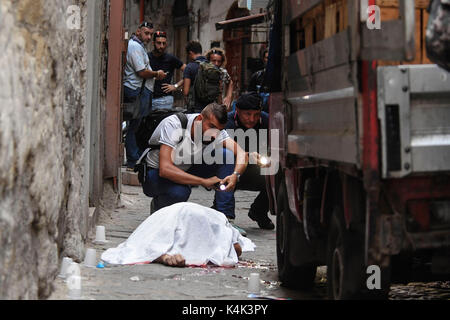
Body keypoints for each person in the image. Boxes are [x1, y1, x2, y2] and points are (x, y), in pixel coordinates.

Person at [141, 102, 249, 235]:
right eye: (211, 127)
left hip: (186, 168)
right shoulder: (174, 124)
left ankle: (224, 218)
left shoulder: (216, 131)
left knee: (226, 155)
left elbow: (242, 153)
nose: (214, 135)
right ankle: (160, 209)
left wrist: (235, 175)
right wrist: (202, 181)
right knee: (180, 192)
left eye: (218, 130)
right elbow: (165, 169)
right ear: (199, 119)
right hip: (156, 175)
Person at [101, 202, 256, 267]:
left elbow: (237, 249)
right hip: (175, 215)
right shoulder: (168, 221)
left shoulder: (220, 223)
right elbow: (142, 245)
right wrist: (165, 257)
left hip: (204, 219)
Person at [221, 92, 275, 230]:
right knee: (225, 164)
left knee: (276, 173)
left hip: (256, 170)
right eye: (247, 114)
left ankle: (259, 211)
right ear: (237, 111)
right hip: (232, 170)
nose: (252, 119)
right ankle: (223, 212)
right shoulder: (226, 122)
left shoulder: (268, 121)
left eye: (256, 114)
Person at [123, 22, 166, 170]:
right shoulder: (134, 46)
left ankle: (135, 157)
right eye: (146, 33)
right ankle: (133, 160)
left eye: (150, 34)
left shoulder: (139, 46)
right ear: (138, 32)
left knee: (137, 126)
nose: (148, 37)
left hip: (141, 90)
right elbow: (141, 71)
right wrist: (156, 74)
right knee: (134, 127)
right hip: (136, 91)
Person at [148, 30, 186, 110]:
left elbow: (188, 71)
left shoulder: (170, 58)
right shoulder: (147, 57)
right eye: (159, 43)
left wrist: (176, 86)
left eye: (164, 43)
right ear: (153, 43)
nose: (161, 46)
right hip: (147, 98)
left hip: (164, 100)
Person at [182, 40, 209, 113]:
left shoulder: (189, 67)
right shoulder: (211, 66)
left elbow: (186, 92)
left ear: (190, 53)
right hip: (210, 108)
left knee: (198, 124)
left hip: (196, 109)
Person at [205, 47, 234, 111]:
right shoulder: (204, 72)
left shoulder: (223, 72)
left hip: (219, 106)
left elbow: (230, 82)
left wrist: (228, 97)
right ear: (208, 60)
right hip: (206, 106)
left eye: (219, 61)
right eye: (214, 61)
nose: (216, 64)